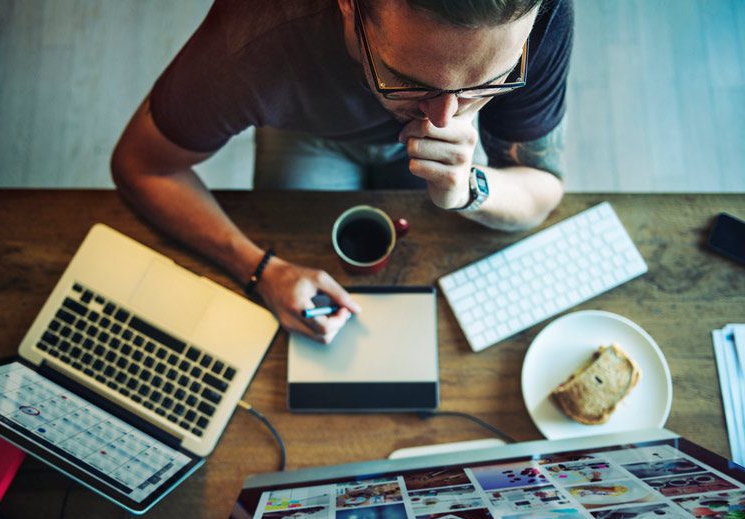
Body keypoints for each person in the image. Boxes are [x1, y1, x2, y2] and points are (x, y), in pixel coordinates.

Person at [111, 0, 573, 344]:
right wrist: (260, 269)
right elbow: (142, 166)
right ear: (349, 7)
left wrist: (471, 186)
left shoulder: (540, 16)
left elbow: (543, 188)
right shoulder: (253, 36)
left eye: (489, 83)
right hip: (309, 135)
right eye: (407, 81)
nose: (442, 122)